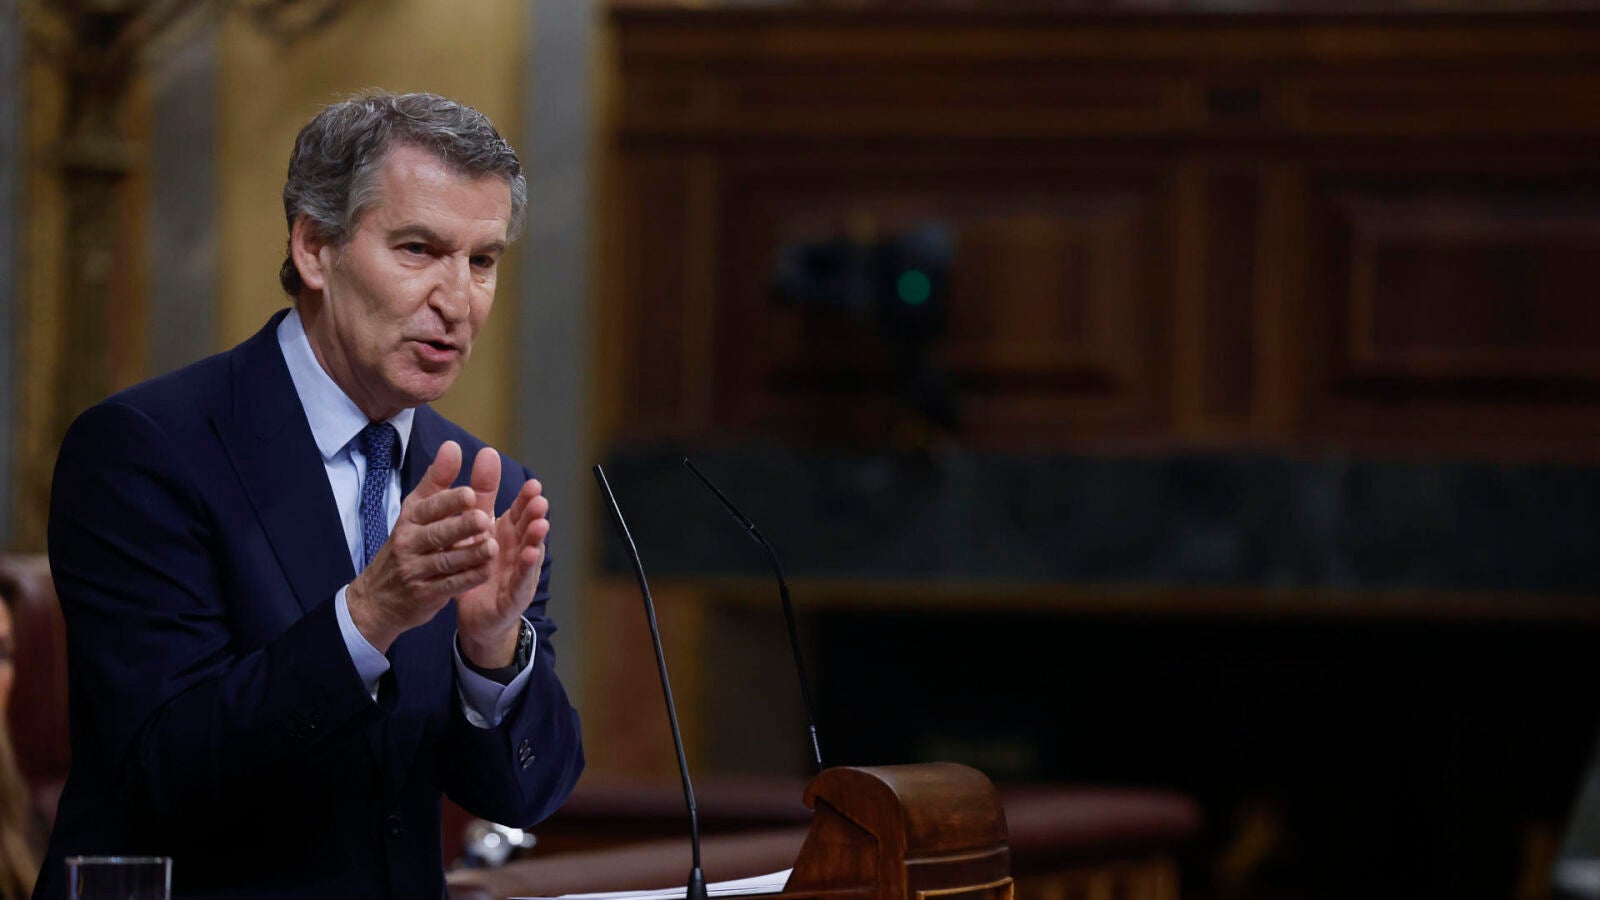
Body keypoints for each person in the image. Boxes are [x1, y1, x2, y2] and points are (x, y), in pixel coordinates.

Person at [33, 92, 584, 899]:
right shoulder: (144, 449)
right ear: (316, 247)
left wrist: (491, 652)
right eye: (419, 249)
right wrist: (370, 615)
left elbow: (525, 794)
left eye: (482, 261)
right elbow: (162, 770)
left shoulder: (480, 482)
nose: (458, 300)